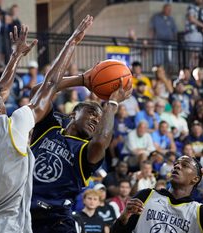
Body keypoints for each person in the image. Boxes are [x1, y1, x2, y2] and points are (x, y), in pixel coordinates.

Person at [0, 16, 92, 233]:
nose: (4, 98)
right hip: (7, 226)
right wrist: (72, 42)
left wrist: (15, 56)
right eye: (1, 101)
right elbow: (49, 83)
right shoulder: (15, 127)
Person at [29, 35, 132, 233]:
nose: (96, 119)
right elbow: (37, 91)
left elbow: (101, 143)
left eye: (99, 119)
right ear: (73, 113)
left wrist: (112, 104)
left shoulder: (87, 151)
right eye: (92, 113)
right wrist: (83, 80)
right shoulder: (50, 127)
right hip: (22, 210)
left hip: (56, 220)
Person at [111, 152, 203, 233]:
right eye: (176, 164)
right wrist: (124, 216)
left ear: (195, 179)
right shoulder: (146, 195)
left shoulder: (199, 212)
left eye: (185, 165)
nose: (177, 166)